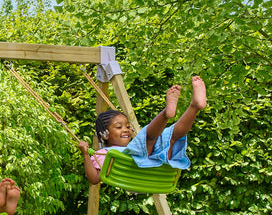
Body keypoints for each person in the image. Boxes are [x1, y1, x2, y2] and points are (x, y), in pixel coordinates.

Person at [79, 76, 207, 185]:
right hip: (142, 165)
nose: (126, 130)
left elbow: (94, 179)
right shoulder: (103, 153)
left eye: (128, 127)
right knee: (150, 138)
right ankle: (166, 114)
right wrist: (86, 153)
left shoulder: (122, 150)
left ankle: (194, 107)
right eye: (119, 127)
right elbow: (94, 179)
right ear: (104, 135)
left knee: (171, 137)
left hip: (156, 164)